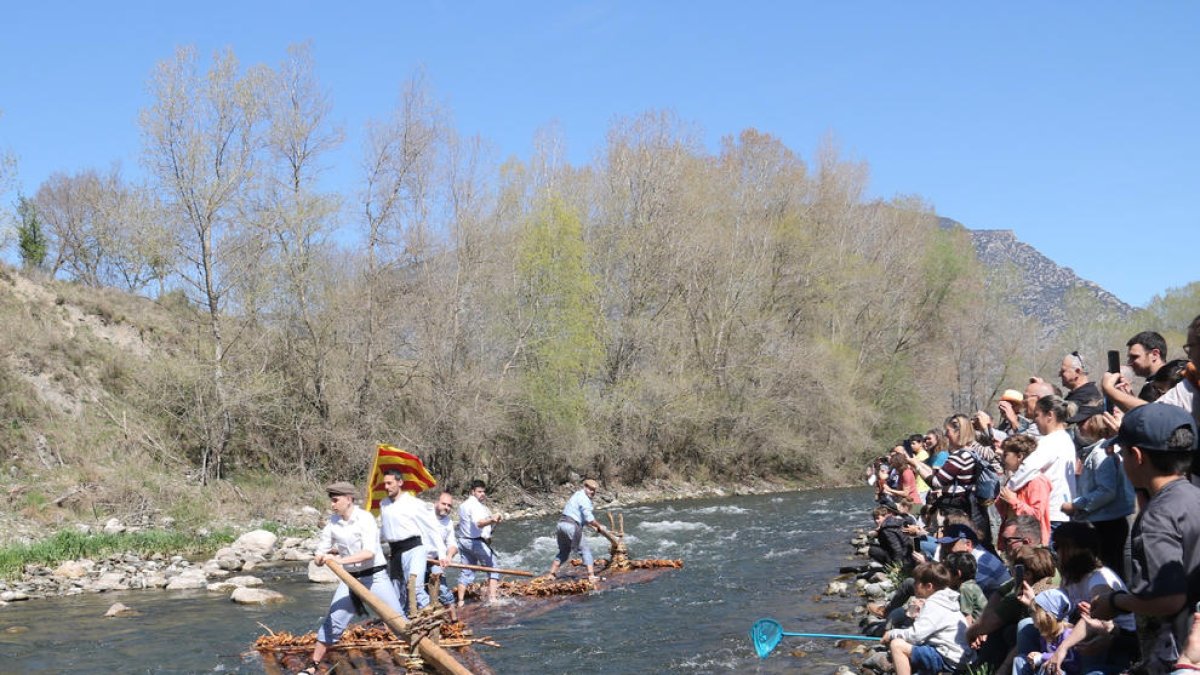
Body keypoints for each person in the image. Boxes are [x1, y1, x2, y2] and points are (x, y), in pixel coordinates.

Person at [1090, 403, 1200, 675]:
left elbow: (1169, 599)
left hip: (1181, 654)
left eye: (1122, 452)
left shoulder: (1158, 517)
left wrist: (1115, 602)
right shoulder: (1192, 497)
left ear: (1136, 456)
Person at [303, 481, 405, 675]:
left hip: (375, 577)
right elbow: (321, 549)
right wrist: (319, 558)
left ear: (349, 499)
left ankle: (418, 655)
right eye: (331, 501)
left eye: (335, 500)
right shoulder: (333, 522)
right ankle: (313, 666)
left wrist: (339, 560)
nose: (332, 504)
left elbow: (368, 553)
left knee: (396, 620)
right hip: (350, 580)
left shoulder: (365, 519)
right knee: (333, 621)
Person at [1041, 522, 1138, 675]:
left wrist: (1063, 647)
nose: (1056, 552)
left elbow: (1096, 620)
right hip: (1086, 633)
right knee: (1026, 625)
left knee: (1084, 642)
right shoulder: (1070, 578)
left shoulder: (1099, 578)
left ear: (1079, 550)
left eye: (1059, 546)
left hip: (1117, 638)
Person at [1060, 409, 1135, 579]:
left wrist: (1076, 505)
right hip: (1105, 521)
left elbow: (1107, 491)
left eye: (1082, 422)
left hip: (1108, 524)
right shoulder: (1098, 450)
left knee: (1111, 572)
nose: (1078, 427)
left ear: (1095, 422)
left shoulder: (1102, 452)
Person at [881, 562, 971, 675]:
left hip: (950, 661)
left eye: (916, 583)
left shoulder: (934, 605)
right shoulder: (946, 598)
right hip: (959, 656)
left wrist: (891, 634)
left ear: (929, 586)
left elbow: (915, 636)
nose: (913, 585)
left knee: (897, 645)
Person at [379, 469, 446, 614]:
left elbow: (431, 527)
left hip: (414, 549)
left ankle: (432, 620)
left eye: (390, 483)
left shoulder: (413, 503)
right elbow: (384, 531)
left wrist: (442, 554)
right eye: (385, 484)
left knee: (415, 588)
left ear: (400, 482)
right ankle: (402, 623)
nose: (386, 487)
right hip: (395, 552)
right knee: (397, 592)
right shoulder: (383, 504)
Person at [1007, 396, 1077, 535]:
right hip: (1060, 512)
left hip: (1049, 514)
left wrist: (1008, 488)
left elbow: (1028, 468)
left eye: (1037, 415)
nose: (1035, 421)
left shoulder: (1050, 442)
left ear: (1049, 415)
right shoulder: (1065, 438)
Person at [547, 479, 608, 583]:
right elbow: (589, 517)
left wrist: (593, 527)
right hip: (571, 527)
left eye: (594, 490)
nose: (592, 492)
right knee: (585, 550)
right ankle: (591, 576)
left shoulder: (577, 495)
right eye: (590, 489)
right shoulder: (585, 499)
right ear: (585, 487)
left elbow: (581, 518)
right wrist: (599, 526)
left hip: (561, 525)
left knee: (564, 552)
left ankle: (551, 574)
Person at [997, 434, 1052, 544]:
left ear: (1019, 456)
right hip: (1013, 537)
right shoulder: (1014, 480)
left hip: (1029, 541)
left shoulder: (1036, 481)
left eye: (1006, 455)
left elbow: (1036, 515)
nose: (1002, 458)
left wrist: (1014, 501)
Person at [456, 480, 502, 605]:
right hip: (474, 542)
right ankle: (493, 599)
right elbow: (478, 523)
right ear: (472, 492)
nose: (482, 494)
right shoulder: (474, 505)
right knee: (493, 567)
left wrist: (491, 522)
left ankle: (460, 601)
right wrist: (492, 519)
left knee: (466, 570)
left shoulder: (463, 505)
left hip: (463, 541)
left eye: (483, 491)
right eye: (479, 491)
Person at [1014, 589, 1078, 675]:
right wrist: (1037, 656)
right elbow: (1044, 655)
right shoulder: (1045, 635)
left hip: (1063, 672)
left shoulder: (1068, 635)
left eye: (1034, 617)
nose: (1033, 622)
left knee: (1049, 667)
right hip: (1046, 669)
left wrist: (1042, 657)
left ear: (1047, 617)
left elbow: (1071, 661)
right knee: (1020, 660)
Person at [425, 491, 460, 620]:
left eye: (449, 505)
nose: (446, 507)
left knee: (443, 590)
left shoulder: (448, 522)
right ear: (436, 503)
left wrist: (449, 556)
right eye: (443, 504)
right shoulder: (425, 514)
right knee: (414, 591)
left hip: (435, 560)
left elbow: (452, 544)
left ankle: (454, 621)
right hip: (417, 558)